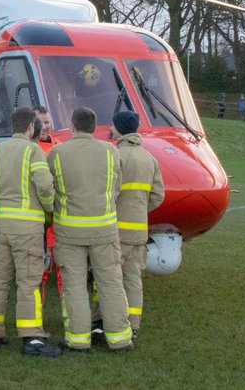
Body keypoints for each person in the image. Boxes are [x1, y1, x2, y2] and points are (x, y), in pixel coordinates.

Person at [0, 106, 60, 356]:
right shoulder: (33, 150)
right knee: (29, 282)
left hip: (2, 225)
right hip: (28, 227)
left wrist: (1, 200)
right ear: (30, 127)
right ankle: (32, 338)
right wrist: (48, 207)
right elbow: (45, 186)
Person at [49, 107, 132, 353]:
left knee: (74, 285)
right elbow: (117, 187)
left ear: (72, 126)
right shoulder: (110, 151)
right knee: (111, 283)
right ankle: (119, 339)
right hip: (104, 229)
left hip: (69, 231)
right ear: (95, 128)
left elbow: (49, 189)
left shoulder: (56, 152)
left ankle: (78, 339)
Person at [112, 110, 164, 337]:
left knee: (109, 278)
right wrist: (140, 209)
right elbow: (158, 195)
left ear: (119, 129)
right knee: (133, 279)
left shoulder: (115, 156)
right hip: (139, 231)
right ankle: (133, 325)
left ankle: (109, 321)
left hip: (115, 230)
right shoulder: (149, 159)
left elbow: (108, 192)